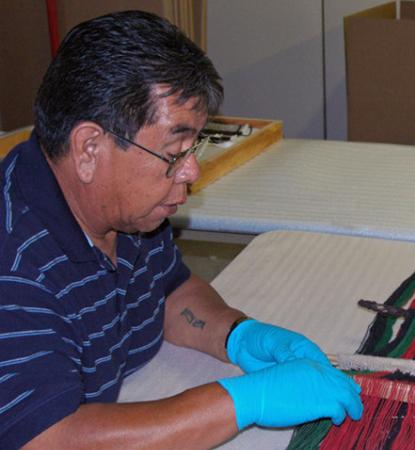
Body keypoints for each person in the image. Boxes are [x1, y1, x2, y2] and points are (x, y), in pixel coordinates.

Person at [0, 10, 361, 449]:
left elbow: (169, 293)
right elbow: (48, 438)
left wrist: (237, 335)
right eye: (174, 152)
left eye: (195, 148)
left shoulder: (130, 210)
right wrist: (243, 401)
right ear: (89, 148)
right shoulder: (14, 263)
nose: (191, 172)